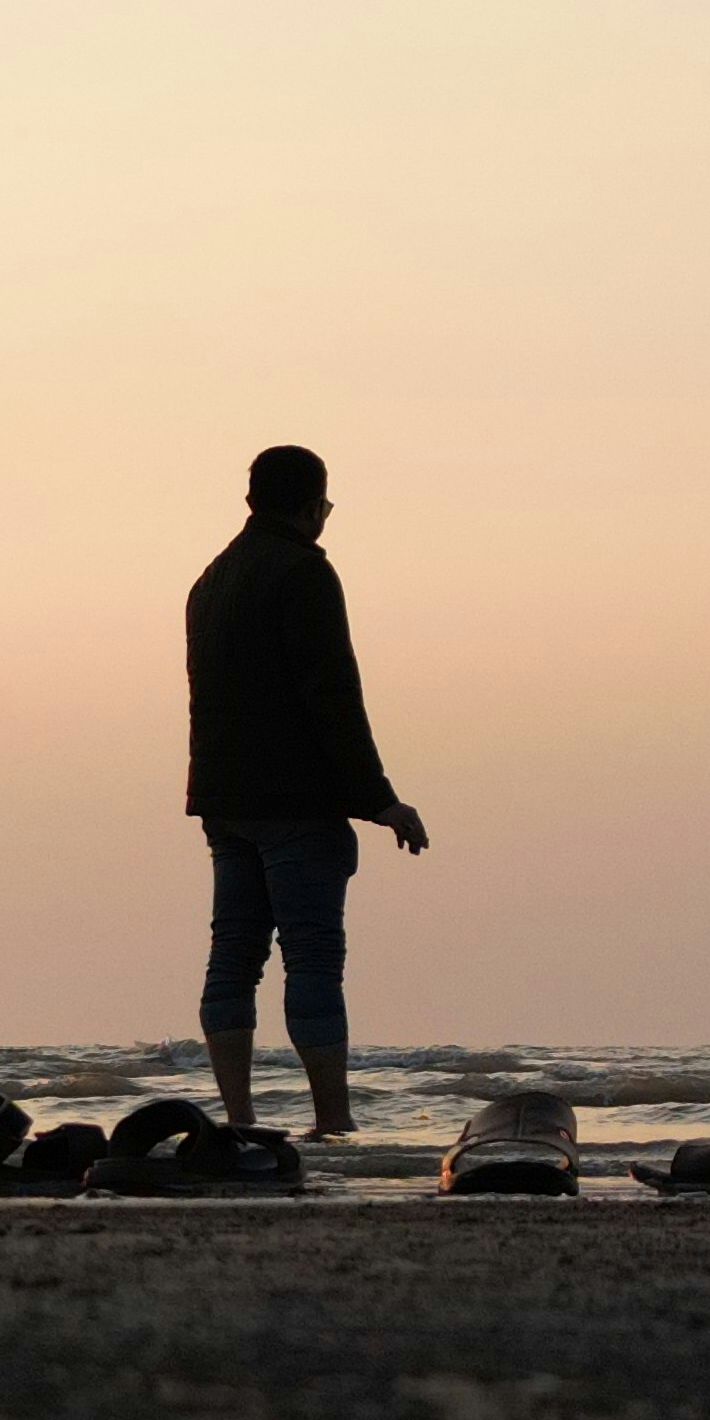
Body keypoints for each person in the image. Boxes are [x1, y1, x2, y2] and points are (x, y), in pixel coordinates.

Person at [178, 443, 429, 1139]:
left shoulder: (212, 579)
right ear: (315, 505)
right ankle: (332, 1120)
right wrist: (380, 798)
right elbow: (332, 696)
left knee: (233, 957)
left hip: (226, 801)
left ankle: (240, 1120)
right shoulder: (304, 574)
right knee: (313, 957)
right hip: (295, 803)